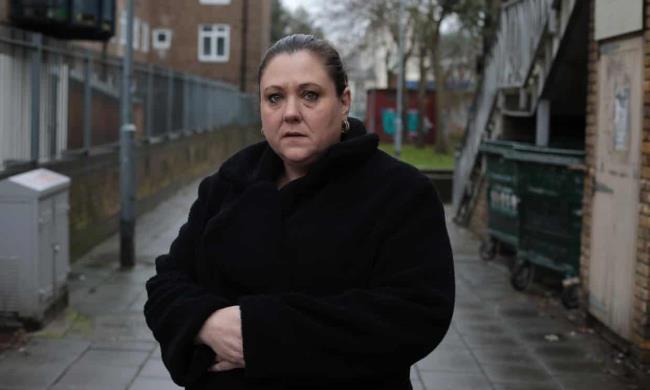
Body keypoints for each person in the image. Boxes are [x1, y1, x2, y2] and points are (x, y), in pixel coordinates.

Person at [144, 34, 454, 390]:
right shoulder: (226, 185)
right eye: (274, 97)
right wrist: (206, 323)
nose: (290, 113)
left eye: (310, 95)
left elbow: (416, 313)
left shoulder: (400, 193)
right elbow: (166, 284)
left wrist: (258, 332)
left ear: (344, 102)